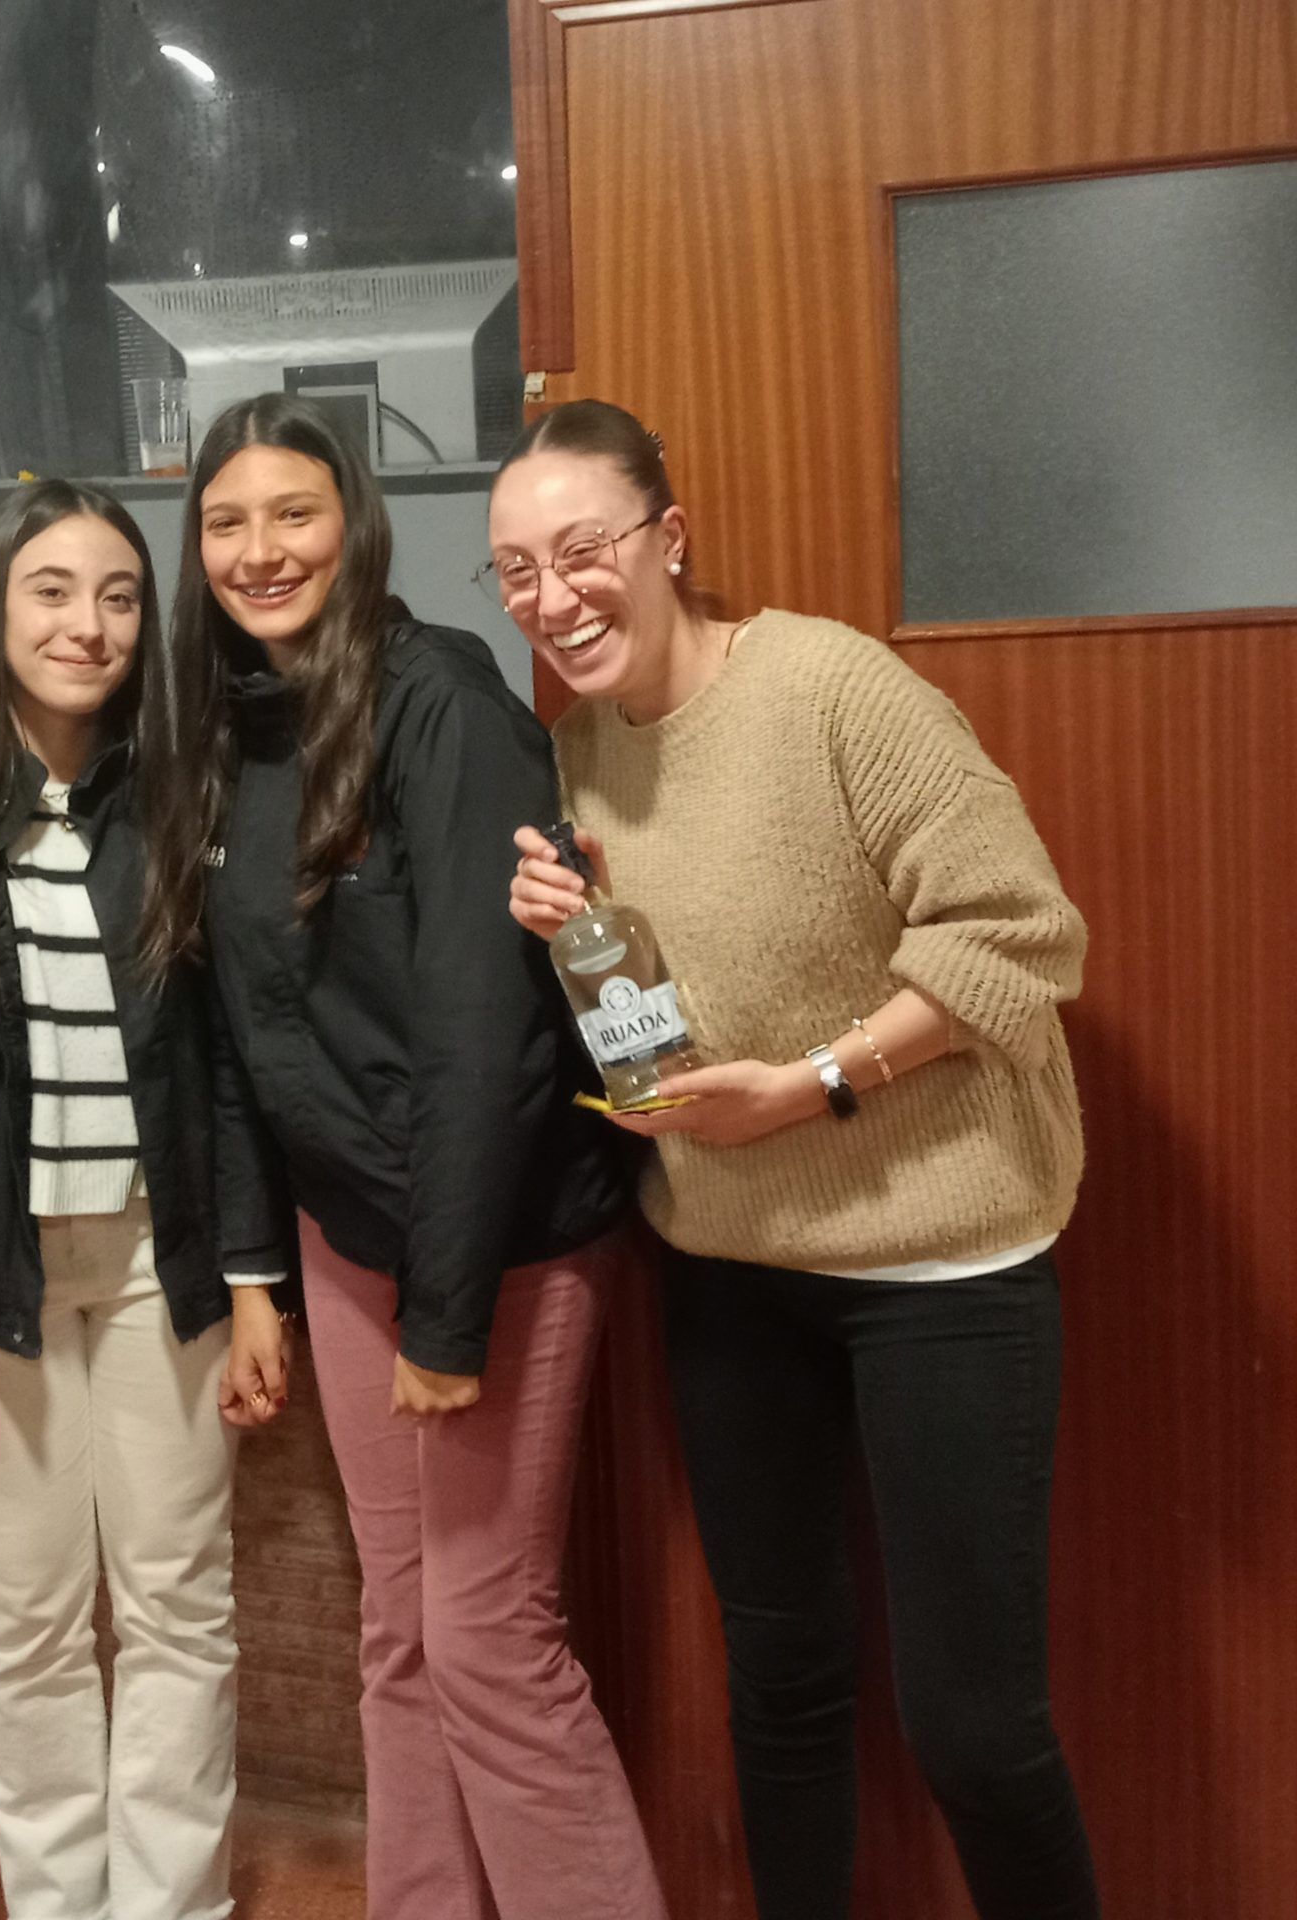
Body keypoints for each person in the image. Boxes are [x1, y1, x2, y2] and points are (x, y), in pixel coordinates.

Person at [499, 398, 1098, 1920]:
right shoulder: (570, 761)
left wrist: (813, 1085)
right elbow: (641, 1019)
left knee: (973, 1728)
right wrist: (565, 938)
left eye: (582, 551)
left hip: (945, 1263)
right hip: (728, 1270)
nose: (552, 598)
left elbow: (1021, 938)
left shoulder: (832, 688)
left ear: (669, 538)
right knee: (780, 1682)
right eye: (515, 571)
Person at [140, 392, 663, 1920]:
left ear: (352, 526)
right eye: (226, 522)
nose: (260, 549)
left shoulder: (445, 704)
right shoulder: (222, 730)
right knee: (404, 1627)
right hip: (348, 1236)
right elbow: (237, 1038)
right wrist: (258, 1273)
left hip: (500, 1241)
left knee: (492, 1638)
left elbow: (484, 1035)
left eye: (293, 513)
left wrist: (445, 1319)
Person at [0, 480, 290, 1920]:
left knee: (179, 1611)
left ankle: (172, 1904)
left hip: (161, 1268)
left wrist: (254, 1281)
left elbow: (226, 1068)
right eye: (52, 590)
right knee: (24, 1626)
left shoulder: (179, 808)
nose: (88, 624)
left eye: (119, 595)